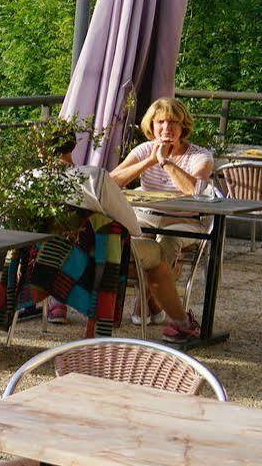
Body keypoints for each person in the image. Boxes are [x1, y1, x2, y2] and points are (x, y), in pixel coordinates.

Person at [38, 125, 199, 340]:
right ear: (73, 145)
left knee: (121, 254)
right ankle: (181, 322)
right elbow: (131, 225)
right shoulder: (93, 177)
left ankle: (61, 302)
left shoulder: (29, 179)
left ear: (39, 150)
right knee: (157, 256)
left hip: (47, 252)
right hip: (99, 253)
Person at [108, 96, 214, 333]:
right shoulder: (145, 149)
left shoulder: (200, 156)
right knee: (125, 241)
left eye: (173, 122)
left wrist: (165, 162)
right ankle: (157, 298)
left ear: (183, 126)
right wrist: (149, 161)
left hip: (186, 220)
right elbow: (112, 181)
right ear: (152, 127)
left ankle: (147, 301)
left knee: (167, 241)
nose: (167, 128)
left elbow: (193, 191)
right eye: (161, 122)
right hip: (146, 215)